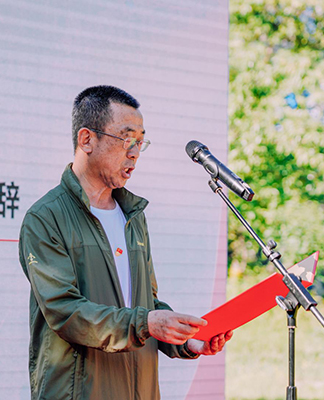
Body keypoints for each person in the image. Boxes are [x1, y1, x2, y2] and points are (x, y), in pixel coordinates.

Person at [18, 85, 233, 400]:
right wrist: (146, 322)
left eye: (140, 142)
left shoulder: (133, 216)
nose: (134, 153)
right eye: (126, 140)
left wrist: (187, 341)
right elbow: (65, 312)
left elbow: (147, 305)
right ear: (86, 139)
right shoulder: (46, 217)